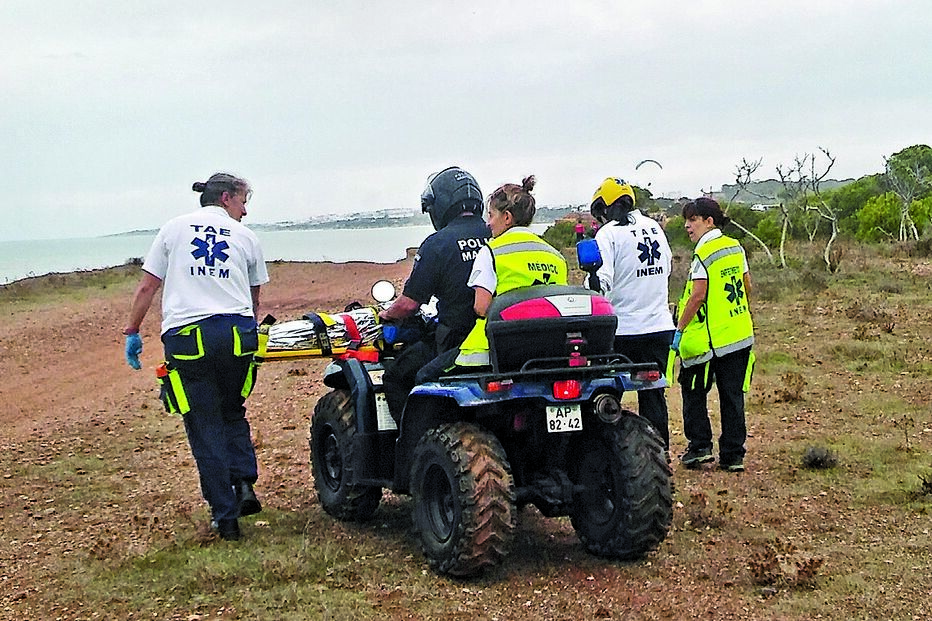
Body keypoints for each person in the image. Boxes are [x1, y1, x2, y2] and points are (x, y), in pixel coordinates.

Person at [122, 172, 269, 541]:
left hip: (189, 337)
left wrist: (132, 331)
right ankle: (243, 485)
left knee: (204, 423)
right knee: (232, 409)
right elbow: (253, 300)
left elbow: (147, 286)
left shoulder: (173, 230)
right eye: (243, 201)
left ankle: (226, 517)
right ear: (225, 198)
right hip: (237, 333)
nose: (245, 211)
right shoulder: (246, 238)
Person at [417, 175, 567, 378]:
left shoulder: (492, 251)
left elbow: (481, 307)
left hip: (491, 349)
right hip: (545, 349)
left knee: (425, 376)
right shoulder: (554, 255)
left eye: (491, 215)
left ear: (507, 217)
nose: (488, 223)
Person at [378, 166, 491, 422]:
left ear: (440, 205)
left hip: (456, 341)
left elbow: (408, 305)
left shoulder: (438, 243)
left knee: (396, 377)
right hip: (497, 339)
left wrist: (385, 314)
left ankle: (412, 448)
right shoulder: (495, 235)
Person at [588, 177, 675, 450]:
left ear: (606, 206)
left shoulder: (609, 233)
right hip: (659, 326)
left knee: (604, 392)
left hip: (623, 330)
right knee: (653, 395)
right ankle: (660, 455)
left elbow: (602, 284)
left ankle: (609, 456)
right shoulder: (655, 228)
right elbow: (669, 267)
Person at [672, 197, 755, 472]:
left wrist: (680, 327)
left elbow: (697, 296)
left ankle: (699, 448)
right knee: (733, 396)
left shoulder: (704, 254)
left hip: (711, 339)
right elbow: (747, 285)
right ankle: (733, 455)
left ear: (709, 221)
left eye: (693, 220)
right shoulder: (735, 247)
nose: (687, 226)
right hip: (739, 334)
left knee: (693, 391)